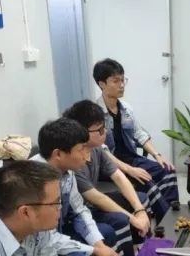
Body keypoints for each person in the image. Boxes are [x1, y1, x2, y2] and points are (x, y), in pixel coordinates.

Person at [32, 118, 132, 256]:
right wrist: (94, 250)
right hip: (39, 248)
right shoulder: (35, 181)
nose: (87, 157)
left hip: (58, 231)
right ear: (58, 154)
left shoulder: (66, 171)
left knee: (105, 234)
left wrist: (99, 245)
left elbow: (79, 210)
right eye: (81, 150)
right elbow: (46, 240)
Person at [93, 58, 179, 222]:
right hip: (109, 166)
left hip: (131, 158)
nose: (121, 85)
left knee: (167, 170)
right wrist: (130, 170)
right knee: (146, 180)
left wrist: (157, 155)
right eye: (116, 81)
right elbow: (101, 150)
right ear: (102, 84)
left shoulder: (126, 109)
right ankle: (166, 223)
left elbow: (139, 134)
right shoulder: (95, 114)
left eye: (123, 80)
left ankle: (171, 214)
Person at [63, 100, 151, 245]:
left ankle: (144, 245)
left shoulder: (97, 148)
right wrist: (133, 218)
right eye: (99, 130)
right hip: (82, 212)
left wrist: (140, 211)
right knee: (121, 219)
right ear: (81, 131)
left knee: (140, 199)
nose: (105, 133)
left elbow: (119, 177)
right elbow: (96, 197)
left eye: (104, 127)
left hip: (91, 205)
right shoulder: (73, 160)